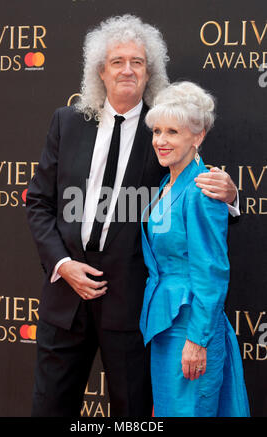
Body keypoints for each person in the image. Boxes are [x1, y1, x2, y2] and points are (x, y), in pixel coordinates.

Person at [26, 15, 239, 417]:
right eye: (118, 61)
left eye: (138, 62)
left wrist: (230, 194)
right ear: (100, 71)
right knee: (49, 407)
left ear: (149, 72)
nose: (127, 70)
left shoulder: (161, 129)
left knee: (133, 413)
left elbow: (195, 183)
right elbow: (38, 202)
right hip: (64, 298)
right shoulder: (67, 122)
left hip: (131, 304)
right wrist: (62, 264)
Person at [140, 81, 250, 417]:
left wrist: (198, 340)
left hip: (190, 328)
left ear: (197, 137)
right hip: (165, 326)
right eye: (157, 130)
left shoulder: (204, 188)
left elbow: (211, 271)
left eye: (172, 131)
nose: (161, 140)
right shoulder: (167, 182)